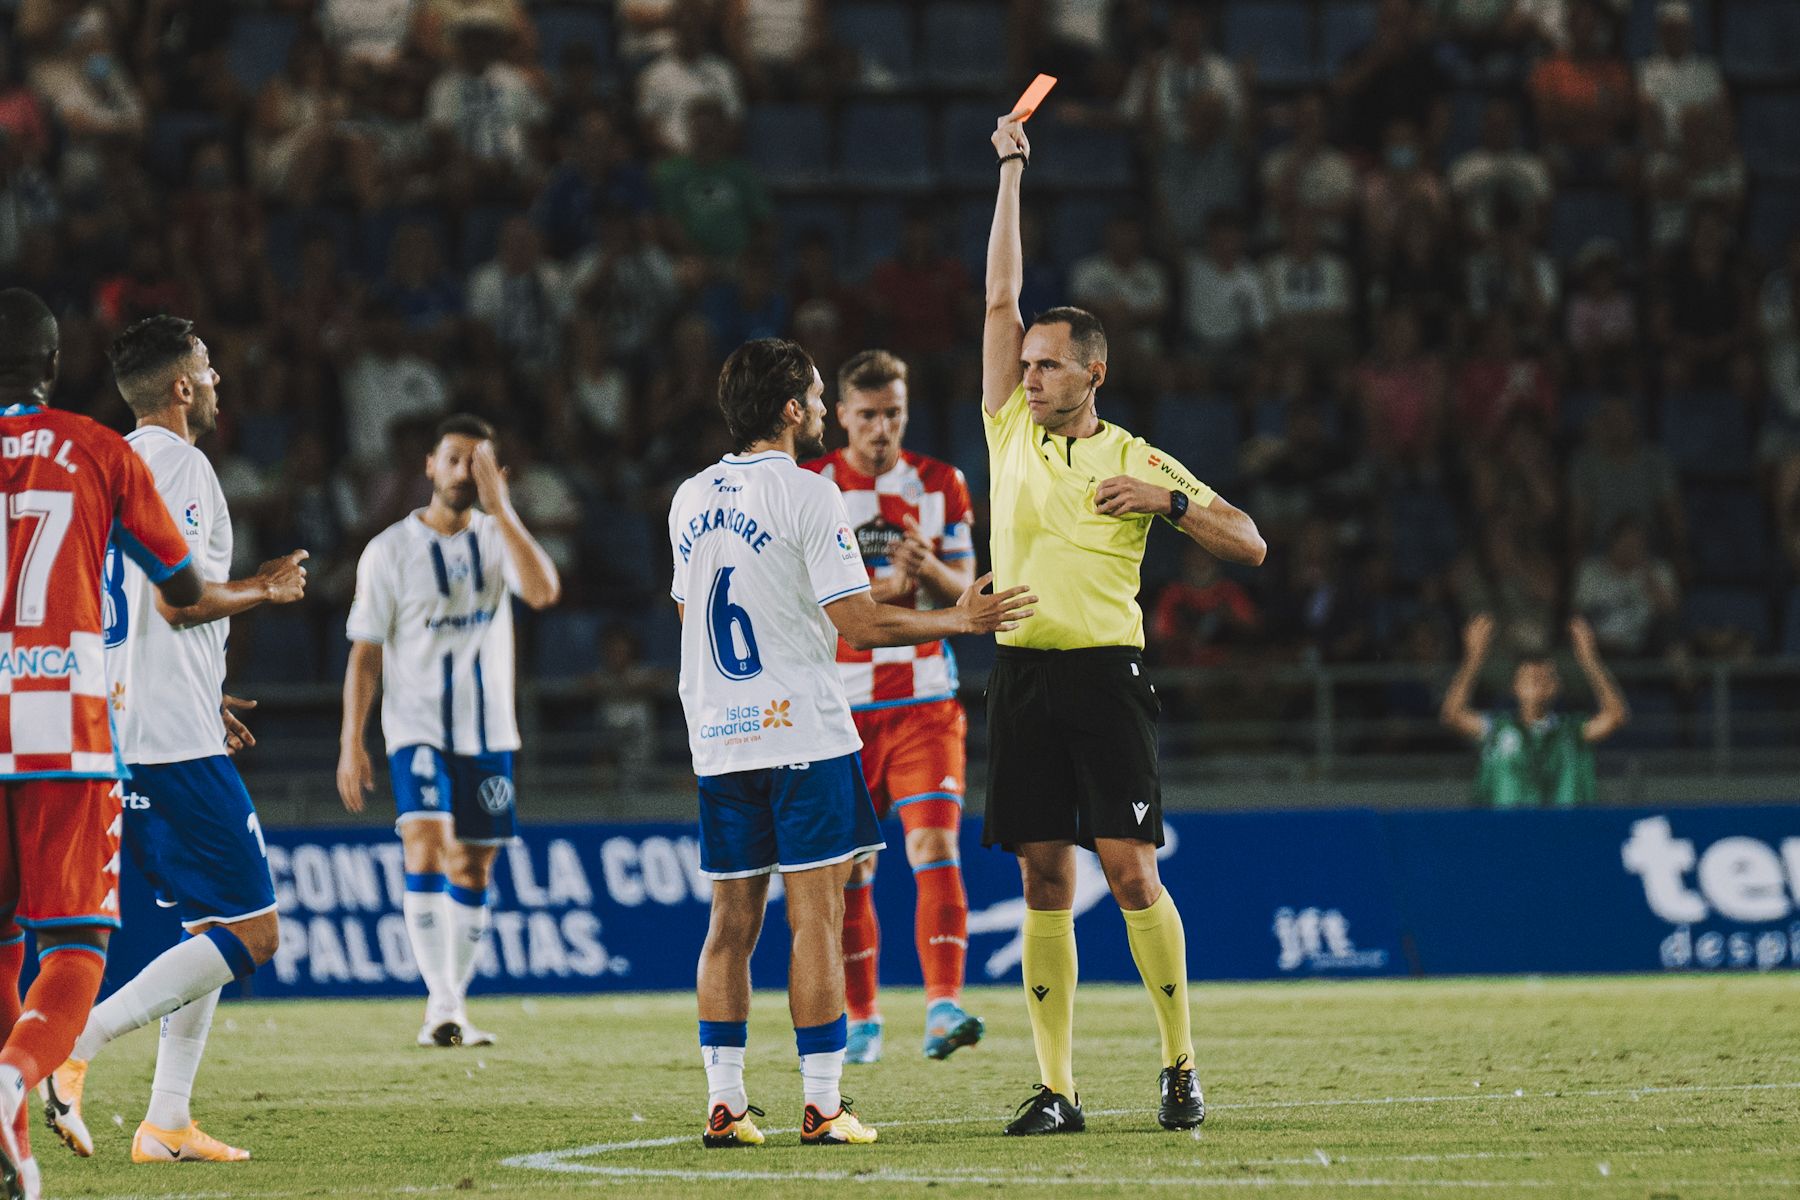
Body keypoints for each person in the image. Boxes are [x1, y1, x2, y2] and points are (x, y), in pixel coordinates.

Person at [668, 338, 1031, 1150]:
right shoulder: (811, 493)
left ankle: (726, 1105)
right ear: (791, 409)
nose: (829, 410)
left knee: (729, 923)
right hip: (801, 731)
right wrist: (959, 620)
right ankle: (823, 1105)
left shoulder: (689, 498)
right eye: (821, 397)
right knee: (815, 919)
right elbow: (859, 625)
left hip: (721, 740)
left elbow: (694, 619)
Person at [980, 115, 1266, 1137]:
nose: (1028, 374)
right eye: (1026, 364)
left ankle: (1180, 1066)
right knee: (1042, 875)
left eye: (1048, 365)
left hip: (1105, 674)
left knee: (1130, 869)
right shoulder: (1007, 427)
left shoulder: (1138, 460)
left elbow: (1251, 541)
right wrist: (1012, 172)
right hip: (1019, 675)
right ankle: (1057, 1088)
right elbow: (1001, 297)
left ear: (1092, 373)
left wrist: (1171, 507)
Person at [39, 315, 308, 1165]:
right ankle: (78, 1042)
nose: (220, 376)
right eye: (208, 364)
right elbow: (177, 600)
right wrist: (265, 590)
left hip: (130, 721)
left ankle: (166, 1122)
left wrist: (203, 684)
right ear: (181, 387)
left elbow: (120, 611)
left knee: (212, 926)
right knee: (255, 934)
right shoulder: (182, 465)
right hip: (170, 740)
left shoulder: (102, 467)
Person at [0, 288, 202, 1197]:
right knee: (75, 946)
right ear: (51, 363)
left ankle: (15, 1154)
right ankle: (8, 1085)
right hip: (67, 730)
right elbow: (180, 581)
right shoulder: (96, 448)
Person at [337, 415, 562, 1048]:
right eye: (455, 459)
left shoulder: (498, 539)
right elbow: (365, 652)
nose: (465, 472)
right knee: (427, 848)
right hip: (417, 729)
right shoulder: (388, 550)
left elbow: (544, 593)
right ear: (430, 466)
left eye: (480, 462)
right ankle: (440, 1003)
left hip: (489, 732)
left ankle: (452, 1004)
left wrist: (504, 510)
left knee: (473, 867)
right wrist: (352, 741)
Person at [800, 349, 982, 1065]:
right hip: (837, 707)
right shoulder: (811, 488)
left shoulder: (941, 485)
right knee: (851, 870)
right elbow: (808, 601)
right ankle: (865, 1020)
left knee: (933, 847)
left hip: (923, 702)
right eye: (868, 415)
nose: (881, 429)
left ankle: (943, 1010)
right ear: (841, 415)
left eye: (894, 415)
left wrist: (926, 568)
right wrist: (880, 590)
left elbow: (964, 596)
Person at [1440, 614, 1630, 808]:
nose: (1536, 678)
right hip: (1506, 833)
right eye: (1529, 676)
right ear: (1514, 687)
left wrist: (1590, 661)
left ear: (1557, 687)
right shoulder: (1496, 728)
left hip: (1562, 833)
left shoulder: (1572, 731)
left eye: (1545, 677)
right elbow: (1452, 715)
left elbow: (1616, 716)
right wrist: (1473, 659)